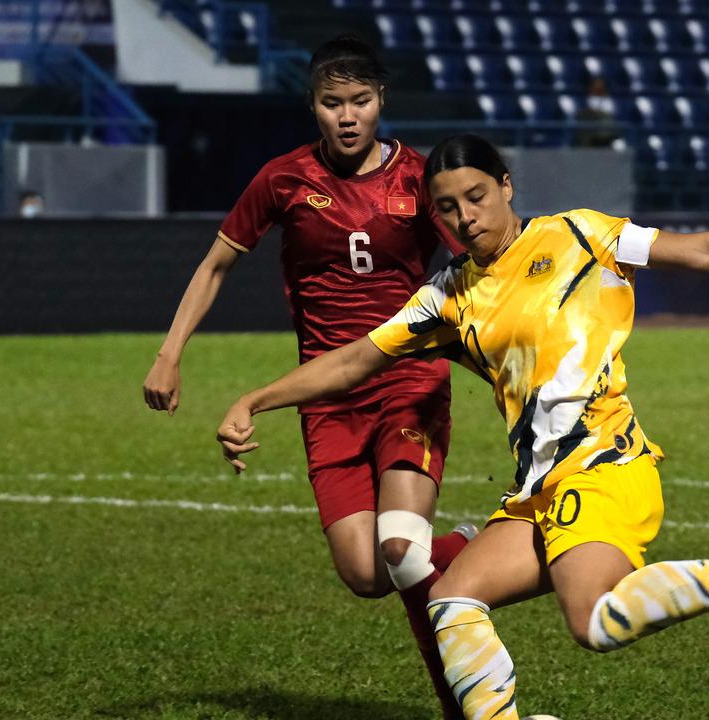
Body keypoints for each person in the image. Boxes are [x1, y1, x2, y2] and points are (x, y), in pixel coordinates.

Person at [216, 133, 709, 719]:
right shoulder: (447, 293)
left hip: (606, 471)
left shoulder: (578, 235)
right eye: (447, 207)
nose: (464, 217)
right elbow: (358, 360)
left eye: (476, 196)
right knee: (450, 604)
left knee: (595, 623)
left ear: (507, 186)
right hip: (540, 491)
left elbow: (704, 250)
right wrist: (256, 399)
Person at [142, 37, 474, 718]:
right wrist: (169, 353)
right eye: (332, 102)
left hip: (410, 386)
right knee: (363, 573)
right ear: (313, 107)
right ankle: (469, 545)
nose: (348, 115)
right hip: (325, 398)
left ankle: (468, 705)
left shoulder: (419, 178)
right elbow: (215, 267)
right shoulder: (284, 179)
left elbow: (481, 266)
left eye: (360, 100)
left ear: (381, 101)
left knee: (403, 553)